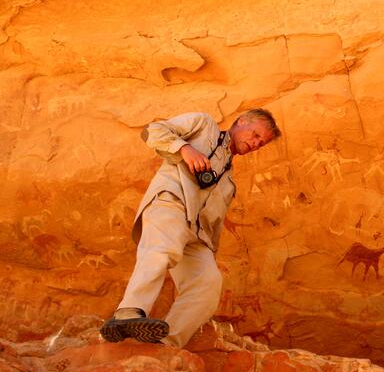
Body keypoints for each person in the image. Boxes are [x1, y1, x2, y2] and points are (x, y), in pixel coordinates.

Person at [100, 109, 281, 347]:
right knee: (163, 248)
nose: (257, 143)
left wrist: (209, 254)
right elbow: (153, 131)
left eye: (262, 142)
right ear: (242, 121)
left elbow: (214, 225)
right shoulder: (204, 124)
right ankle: (128, 312)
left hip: (197, 234)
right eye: (256, 134)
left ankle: (166, 343)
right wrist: (185, 149)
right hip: (171, 203)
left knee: (208, 282)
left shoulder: (229, 180)